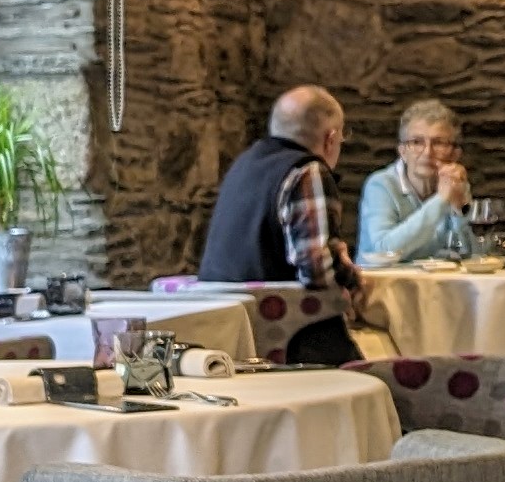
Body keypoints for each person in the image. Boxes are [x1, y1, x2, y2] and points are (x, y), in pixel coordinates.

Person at [198, 86, 365, 343]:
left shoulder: (243, 164)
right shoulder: (307, 171)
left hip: (223, 326)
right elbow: (319, 272)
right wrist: (348, 271)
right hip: (278, 335)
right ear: (330, 139)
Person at [358, 96, 476, 263]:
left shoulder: (454, 183)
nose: (427, 152)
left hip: (439, 280)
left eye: (439, 143)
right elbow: (383, 250)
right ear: (402, 151)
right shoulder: (380, 185)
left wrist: (460, 210)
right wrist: (441, 200)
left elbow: (472, 254)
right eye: (417, 142)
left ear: (455, 154)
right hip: (381, 279)